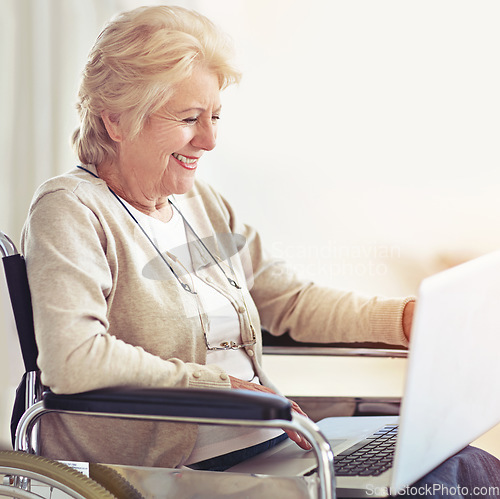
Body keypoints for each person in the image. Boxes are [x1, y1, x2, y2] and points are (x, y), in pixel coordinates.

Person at [21, 5, 499, 496]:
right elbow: (74, 358)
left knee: (465, 464)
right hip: (177, 473)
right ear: (117, 121)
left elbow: (289, 300)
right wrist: (221, 387)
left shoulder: (201, 204)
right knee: (447, 482)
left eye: (215, 116)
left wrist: (402, 319)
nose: (208, 140)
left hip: (278, 448)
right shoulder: (73, 209)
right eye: (189, 118)